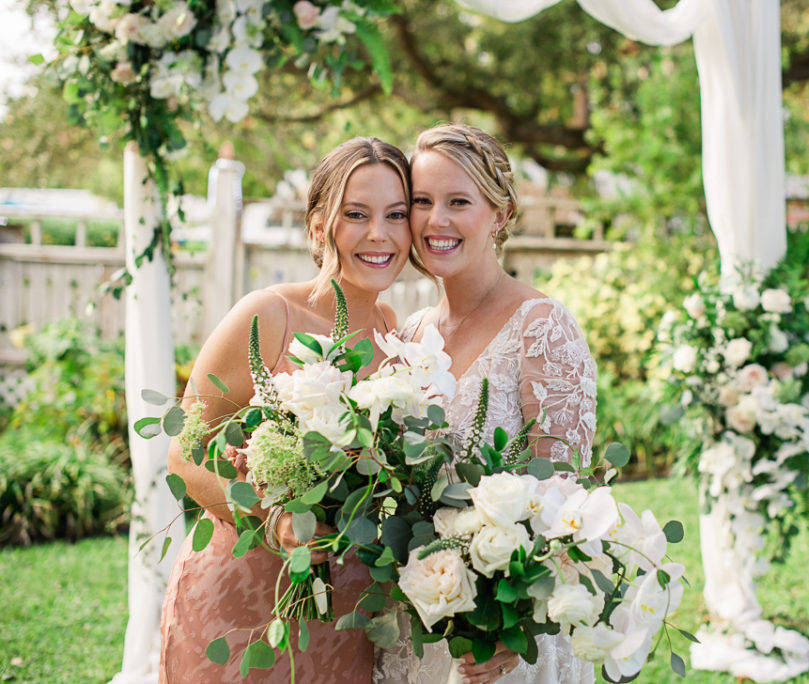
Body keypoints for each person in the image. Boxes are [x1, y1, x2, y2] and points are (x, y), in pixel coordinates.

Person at [161, 137, 420, 683]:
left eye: (396, 214)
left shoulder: (395, 333)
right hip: (239, 604)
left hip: (343, 617)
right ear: (318, 225)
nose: (380, 234)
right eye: (357, 214)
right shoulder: (267, 316)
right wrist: (275, 517)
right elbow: (182, 458)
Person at [373, 124, 598, 684]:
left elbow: (564, 500)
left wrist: (509, 624)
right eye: (421, 202)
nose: (434, 221)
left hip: (502, 636)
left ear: (500, 214)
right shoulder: (407, 334)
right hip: (419, 619)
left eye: (458, 202)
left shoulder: (542, 327)